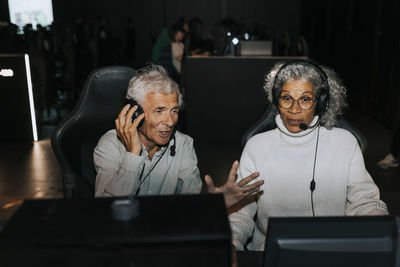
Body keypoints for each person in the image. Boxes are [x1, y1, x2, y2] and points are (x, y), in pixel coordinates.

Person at [229, 60, 388, 251]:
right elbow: (242, 214)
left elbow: (364, 202)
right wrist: (231, 243)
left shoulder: (345, 143)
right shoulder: (256, 146)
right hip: (269, 253)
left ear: (320, 103)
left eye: (305, 99)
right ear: (276, 100)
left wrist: (378, 228)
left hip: (331, 254)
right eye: (287, 98)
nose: (294, 110)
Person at [94, 64, 263, 208]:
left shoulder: (183, 144)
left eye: (174, 111)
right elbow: (105, 211)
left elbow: (190, 206)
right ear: (135, 112)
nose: (170, 121)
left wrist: (216, 203)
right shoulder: (110, 145)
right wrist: (132, 155)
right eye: (159, 111)